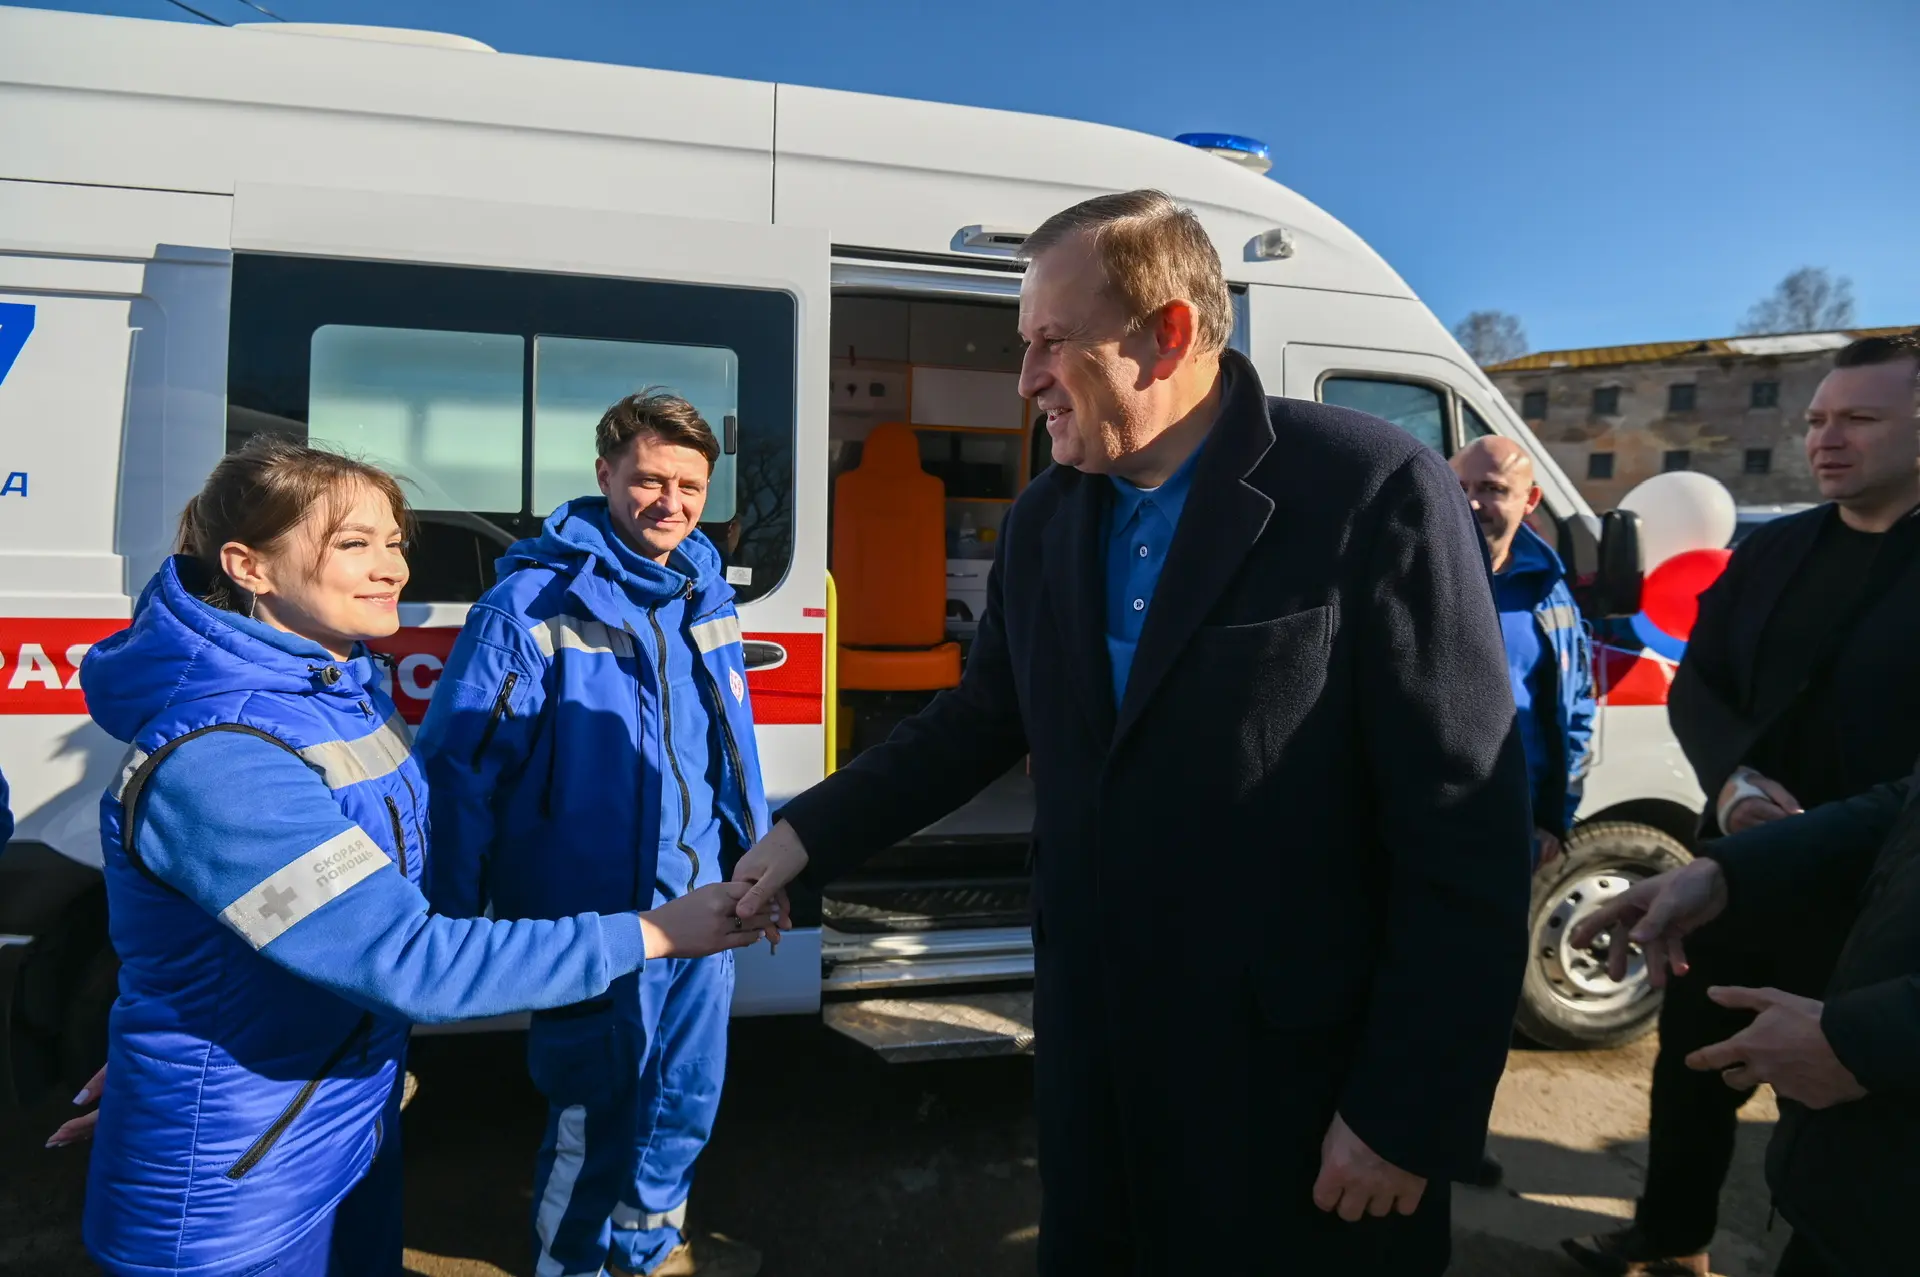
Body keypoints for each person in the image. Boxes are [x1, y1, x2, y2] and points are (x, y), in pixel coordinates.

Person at [731, 190, 1534, 1274]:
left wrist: (1407, 1109)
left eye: (1050, 341)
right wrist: (806, 836)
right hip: (1094, 1071)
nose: (1025, 379)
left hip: (1294, 1093)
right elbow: (979, 719)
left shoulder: (1369, 486)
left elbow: (1463, 828)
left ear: (1168, 333)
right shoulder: (1045, 518)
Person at [63, 439, 771, 1277]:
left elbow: (355, 913)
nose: (392, 567)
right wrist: (652, 931)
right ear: (249, 566)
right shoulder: (222, 754)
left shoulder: (341, 693)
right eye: (353, 543)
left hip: (340, 1136)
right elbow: (407, 956)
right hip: (236, 1197)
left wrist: (170, 1037)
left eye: (394, 541)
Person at [1565, 330, 1920, 1277]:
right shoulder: (1775, 550)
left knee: (1837, 1103)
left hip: (1878, 908)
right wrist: (1734, 783)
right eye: (1816, 419)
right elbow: (1701, 685)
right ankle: (1671, 1238)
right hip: (1738, 875)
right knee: (1692, 1066)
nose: (1825, 439)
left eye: (1859, 418)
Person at [418, 392, 771, 1277]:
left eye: (690, 486)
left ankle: (645, 1252)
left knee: (682, 1101)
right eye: (650, 479)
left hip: (707, 906)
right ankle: (570, 1265)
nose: (671, 503)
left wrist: (759, 869)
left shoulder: (704, 592)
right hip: (597, 925)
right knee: (595, 1113)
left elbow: (733, 748)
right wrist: (446, 930)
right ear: (605, 473)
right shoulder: (530, 605)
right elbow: (459, 773)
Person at [1567, 751, 1920, 1277]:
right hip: (1859, 1190)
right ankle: (1671, 1235)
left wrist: (1870, 1039)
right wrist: (1727, 869)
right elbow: (1903, 804)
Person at [1451, 436, 1596, 870]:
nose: (1471, 502)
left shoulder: (1550, 595)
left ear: (1530, 500)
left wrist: (1554, 818)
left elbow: (1576, 711)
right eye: (1459, 487)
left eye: (1492, 489)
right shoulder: (1402, 578)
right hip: (1413, 832)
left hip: (1514, 834)